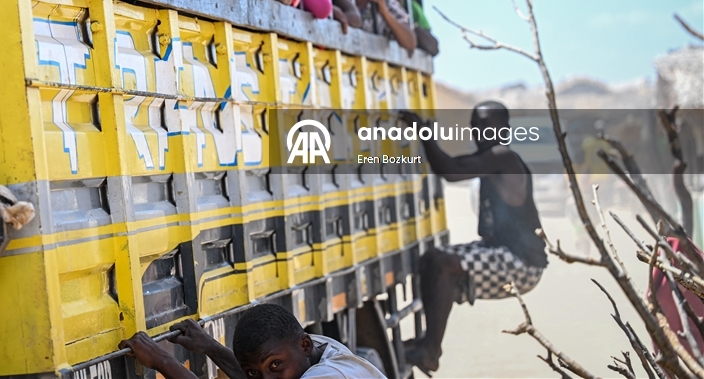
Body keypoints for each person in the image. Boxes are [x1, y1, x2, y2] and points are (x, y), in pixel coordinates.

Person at [399, 103, 548, 376]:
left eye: (486, 125)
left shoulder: (502, 157)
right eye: (476, 125)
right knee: (433, 261)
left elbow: (451, 170)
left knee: (440, 263)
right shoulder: (493, 159)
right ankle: (427, 344)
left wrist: (422, 131)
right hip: (503, 252)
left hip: (522, 262)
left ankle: (430, 349)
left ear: (504, 130)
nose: (479, 131)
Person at [120, 306, 385, 379]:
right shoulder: (323, 349)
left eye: (276, 365)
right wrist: (210, 347)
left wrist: (162, 360)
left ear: (304, 346)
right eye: (253, 374)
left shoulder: (327, 377)